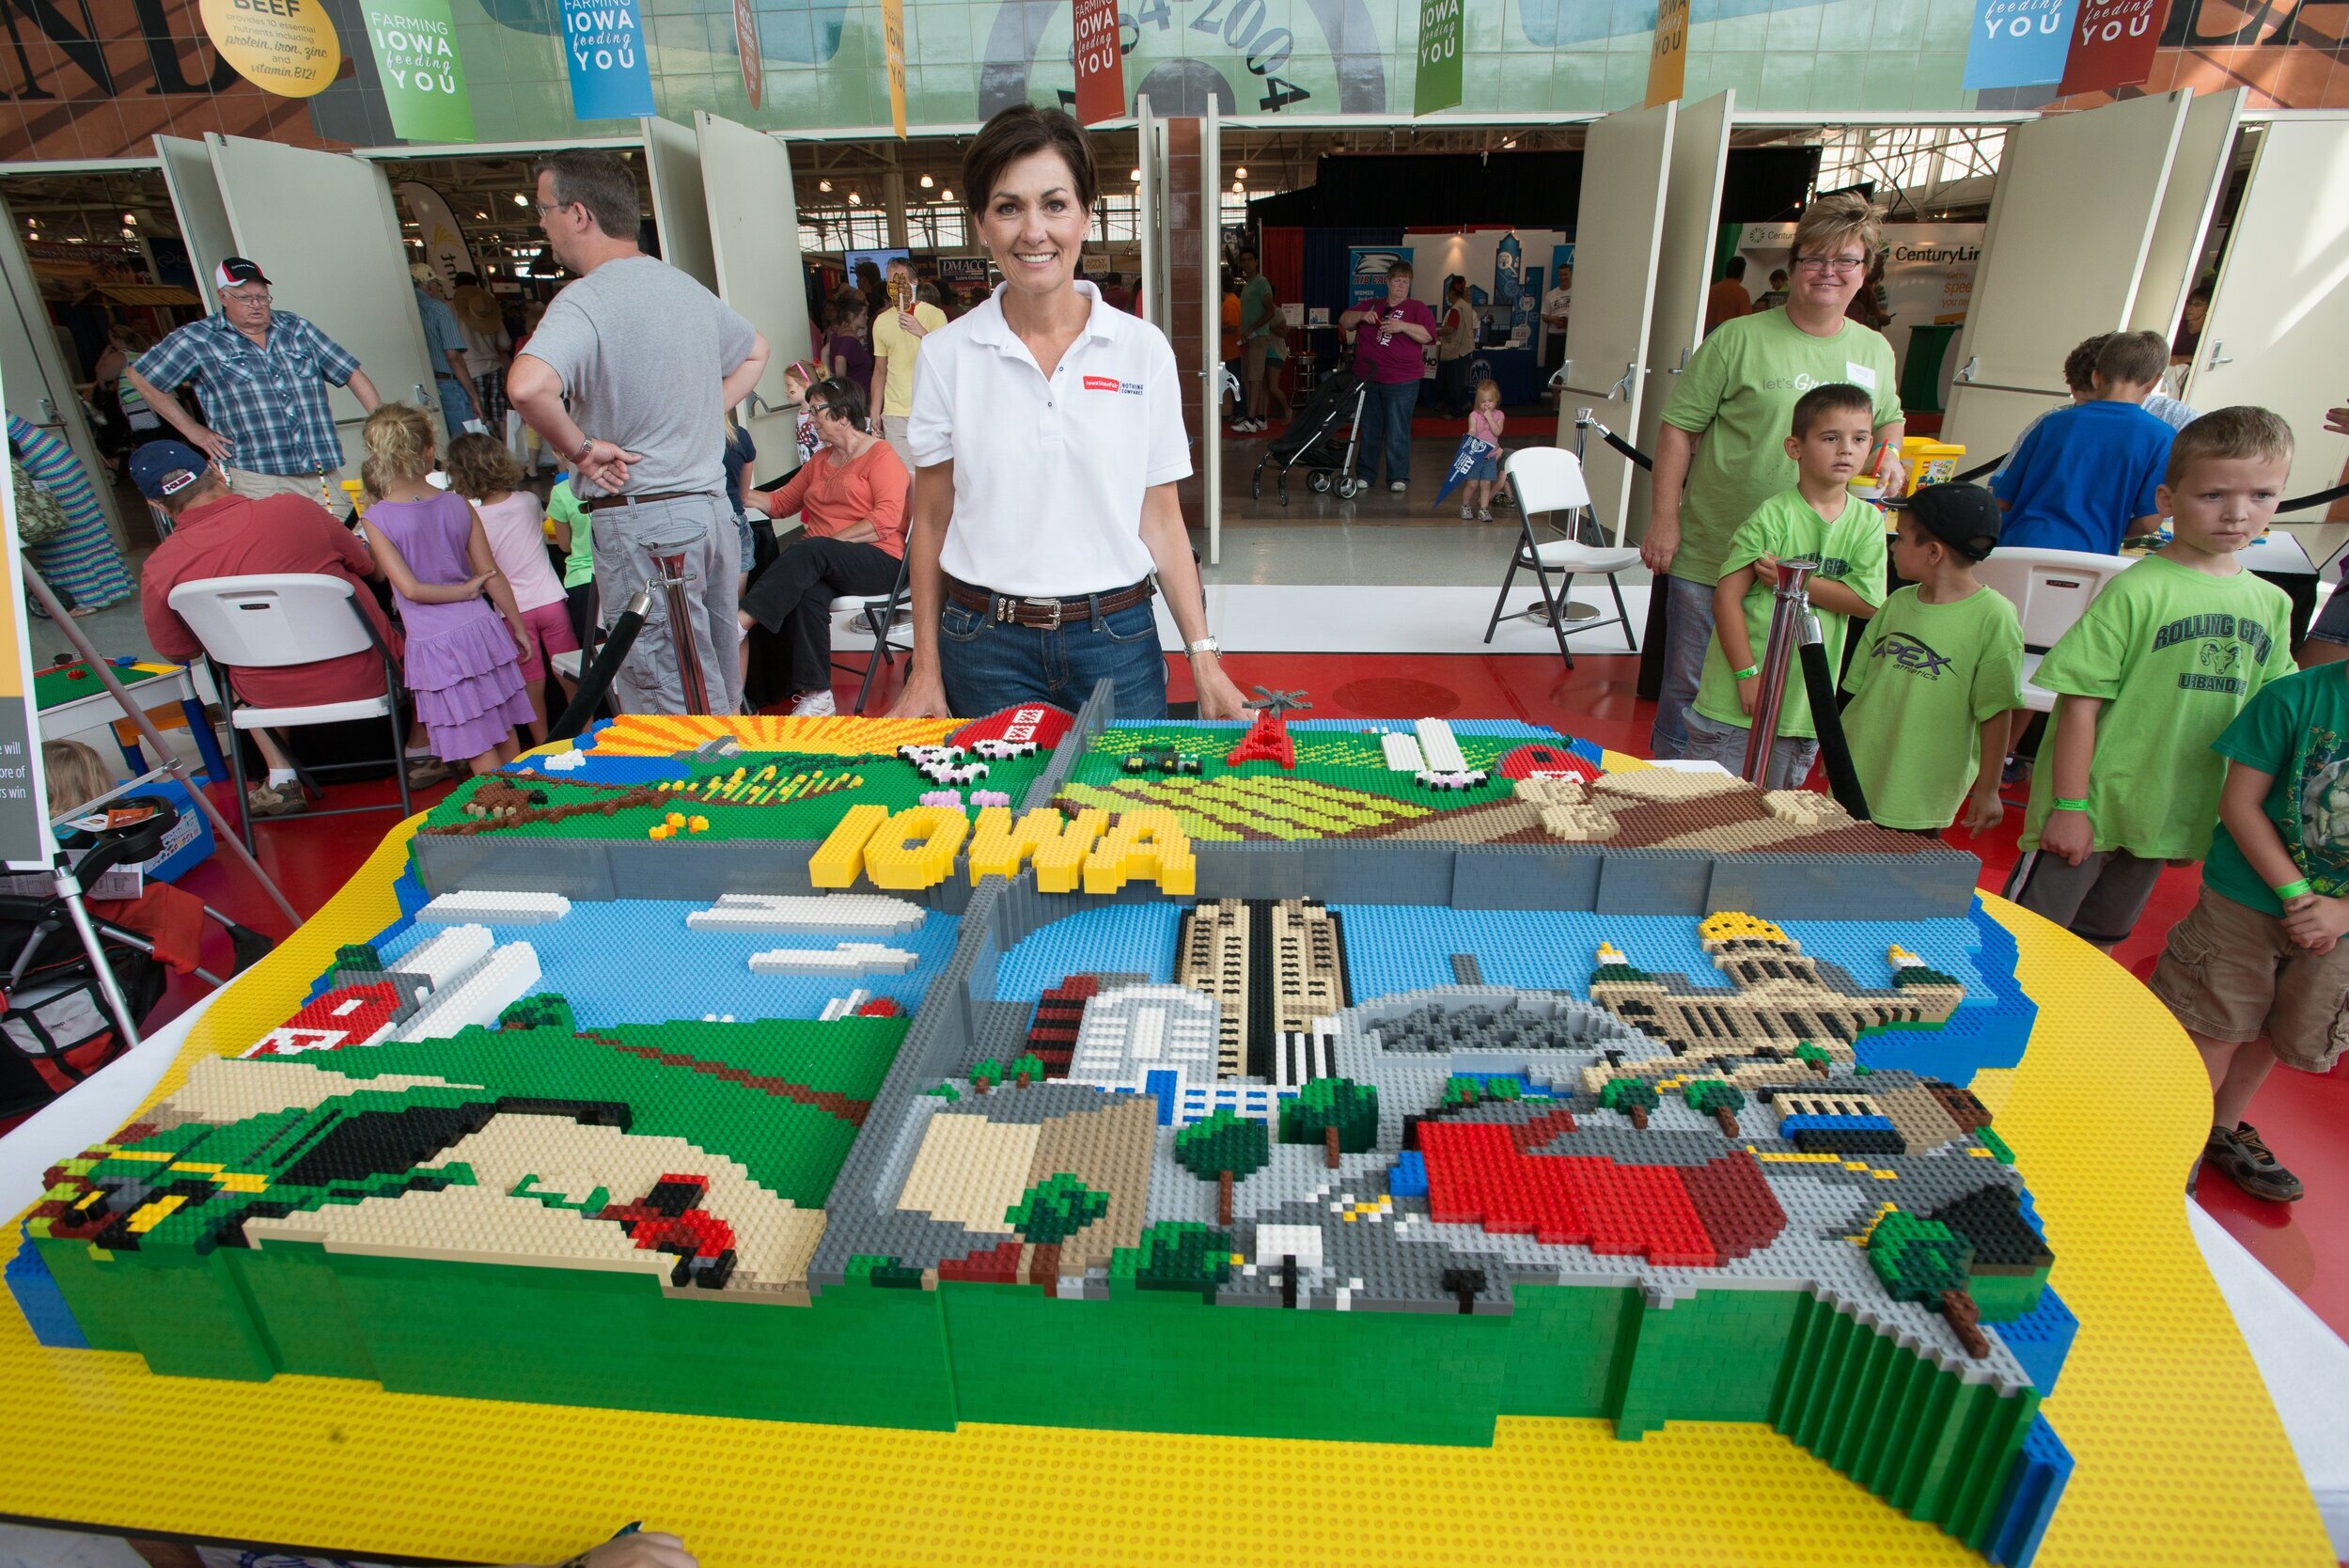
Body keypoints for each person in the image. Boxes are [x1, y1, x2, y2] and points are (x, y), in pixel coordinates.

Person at [885, 104, 1245, 723]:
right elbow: (933, 520)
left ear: (1085, 215)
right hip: (984, 644)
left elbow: (1160, 521)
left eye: (1054, 204)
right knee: (994, 819)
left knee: (1124, 814)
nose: (1033, 231)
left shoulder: (1141, 350)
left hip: (1117, 640)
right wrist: (925, 667)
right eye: (1007, 207)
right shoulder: (946, 355)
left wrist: (1204, 660)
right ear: (981, 224)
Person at [2000, 406, 2299, 951]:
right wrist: (2069, 808)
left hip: (2167, 817)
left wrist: (2204, 819)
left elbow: (2265, 722)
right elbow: (2079, 705)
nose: (2238, 514)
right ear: (2167, 500)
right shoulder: (2136, 591)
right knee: (2025, 942)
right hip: (2091, 809)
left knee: (2102, 942)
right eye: (2214, 495)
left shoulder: (2273, 605)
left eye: (2262, 495)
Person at [508, 148, 771, 717]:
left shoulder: (586, 299)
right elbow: (756, 350)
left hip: (648, 518)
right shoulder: (684, 288)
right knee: (715, 684)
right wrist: (705, 411)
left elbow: (527, 387)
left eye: (545, 209)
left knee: (671, 696)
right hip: (707, 517)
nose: (543, 223)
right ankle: (727, 792)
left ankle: (696, 803)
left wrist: (582, 449)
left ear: (579, 213)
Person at [1646, 192, 1906, 760]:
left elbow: (1889, 420)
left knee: (1786, 698)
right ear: (1794, 266)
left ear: (1866, 271)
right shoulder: (1737, 339)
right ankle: (1659, 806)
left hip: (1815, 564)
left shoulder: (1874, 350)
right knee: (1690, 693)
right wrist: (1664, 520)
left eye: (1846, 261)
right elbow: (1678, 428)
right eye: (1815, 258)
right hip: (1716, 550)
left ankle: (1751, 815)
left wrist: (1890, 454)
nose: (1828, 273)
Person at [132, 439, 450, 818]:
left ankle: (281, 779)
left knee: (228, 668)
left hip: (265, 696)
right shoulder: (294, 508)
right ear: (215, 471)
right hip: (368, 675)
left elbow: (178, 651)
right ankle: (419, 752)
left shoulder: (160, 566)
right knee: (423, 632)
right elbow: (365, 566)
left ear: (156, 505)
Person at [2148, 647, 2347, 1204]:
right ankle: (2173, 1146)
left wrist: (2341, 912)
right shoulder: (2293, 696)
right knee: (2213, 1024)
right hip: (2246, 902)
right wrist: (2299, 897)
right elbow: (2240, 804)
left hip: (2341, 927)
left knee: (2276, 1028)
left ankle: (2222, 1128)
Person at [1683, 383, 1888, 788]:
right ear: (1795, 447)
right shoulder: (1772, 517)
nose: (1846, 449)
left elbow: (1867, 602)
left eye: (1859, 438)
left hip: (1802, 707)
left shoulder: (1867, 523)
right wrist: (1746, 674)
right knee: (1705, 814)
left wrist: (1791, 580)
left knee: (1771, 821)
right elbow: (1727, 597)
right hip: (1737, 703)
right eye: (1831, 437)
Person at [355, 405, 535, 776]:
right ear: (427, 450)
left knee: (474, 737)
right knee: (502, 727)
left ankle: (502, 819)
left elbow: (410, 589)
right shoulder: (456, 503)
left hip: (436, 642)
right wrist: (516, 624)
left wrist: (464, 591)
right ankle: (526, 807)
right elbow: (491, 572)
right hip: (481, 628)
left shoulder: (376, 519)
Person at [1840, 482, 2023, 836]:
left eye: (1902, 538)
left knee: (1897, 882)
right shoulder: (1897, 602)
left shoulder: (1993, 617)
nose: (1893, 546)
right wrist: (1839, 755)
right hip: (1859, 772)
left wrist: (1987, 789)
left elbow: (1996, 710)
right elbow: (1856, 686)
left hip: (1920, 791)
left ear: (1934, 552)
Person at [124, 258, 383, 505]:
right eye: (245, 298)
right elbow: (140, 376)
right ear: (223, 297)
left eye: (262, 297)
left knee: (344, 543)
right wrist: (192, 429)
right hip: (258, 477)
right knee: (283, 548)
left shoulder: (295, 328)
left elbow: (350, 371)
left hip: (321, 471)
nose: (256, 304)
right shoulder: (198, 339)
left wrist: (382, 424)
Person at [738, 377, 907, 715]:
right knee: (808, 590)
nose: (810, 417)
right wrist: (738, 494)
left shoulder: (880, 455)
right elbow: (782, 503)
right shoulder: (820, 460)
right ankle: (818, 694)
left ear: (843, 415)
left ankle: (740, 624)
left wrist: (826, 545)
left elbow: (884, 521)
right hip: (823, 562)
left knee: (810, 550)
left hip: (879, 561)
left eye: (817, 411)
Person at [1991, 330, 2174, 555]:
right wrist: (2107, 529)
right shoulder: (2162, 437)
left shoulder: (2052, 424)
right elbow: (2149, 522)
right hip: (2089, 557)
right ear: (2153, 383)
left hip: (2019, 548)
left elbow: (2003, 500)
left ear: (2096, 377)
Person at [446, 431, 578, 744]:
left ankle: (543, 743)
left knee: (531, 681)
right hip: (550, 600)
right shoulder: (530, 501)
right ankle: (584, 730)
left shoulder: (471, 518)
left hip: (511, 611)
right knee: (570, 673)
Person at [1994, 334, 2199, 491]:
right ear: (2073, 389)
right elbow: (1999, 487)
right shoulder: (2052, 422)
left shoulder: (2178, 422)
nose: (2094, 416)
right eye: (2085, 404)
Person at [8, 415, 134, 612]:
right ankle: (104, 593)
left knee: (62, 538)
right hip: (57, 462)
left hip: (48, 470)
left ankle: (81, 603)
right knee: (86, 532)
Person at [1339, 262, 1436, 493]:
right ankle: (1366, 474)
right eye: (1397, 281)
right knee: (1370, 429)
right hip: (1369, 379)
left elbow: (1429, 336)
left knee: (1397, 430)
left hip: (1402, 380)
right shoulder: (1373, 304)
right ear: (1388, 282)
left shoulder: (1417, 307)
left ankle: (1398, 476)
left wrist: (1403, 326)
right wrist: (1363, 315)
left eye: (1405, 282)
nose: (1401, 286)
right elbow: (1344, 321)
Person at [870, 257, 948, 475]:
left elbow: (946, 358)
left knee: (934, 474)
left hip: (931, 409)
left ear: (914, 283)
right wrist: (875, 410)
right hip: (895, 412)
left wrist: (920, 331)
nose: (895, 286)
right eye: (890, 282)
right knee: (903, 477)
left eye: (900, 280)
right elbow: (880, 369)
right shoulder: (881, 321)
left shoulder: (934, 315)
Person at [412, 264, 486, 440]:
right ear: (429, 286)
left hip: (420, 386)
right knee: (464, 441)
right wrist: (474, 396)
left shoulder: (406, 309)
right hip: (448, 383)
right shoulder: (439, 309)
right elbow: (454, 358)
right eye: (436, 283)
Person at [450, 273, 513, 438]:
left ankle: (487, 458)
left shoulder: (452, 309)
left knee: (479, 417)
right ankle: (509, 454)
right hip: (494, 368)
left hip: (469, 370)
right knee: (501, 416)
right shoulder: (488, 307)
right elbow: (505, 343)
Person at [547, 474, 596, 651]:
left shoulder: (561, 491)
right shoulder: (613, 480)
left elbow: (565, 545)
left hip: (581, 579)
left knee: (594, 652)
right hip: (617, 573)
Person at [1236, 248, 1278, 431]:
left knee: (1254, 379)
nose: (1246, 263)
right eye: (1243, 260)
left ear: (1256, 262)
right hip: (1248, 339)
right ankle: (1260, 418)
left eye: (1249, 260)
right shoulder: (1248, 284)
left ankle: (1251, 420)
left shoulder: (1262, 283)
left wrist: (1252, 329)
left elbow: (1270, 312)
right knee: (1249, 379)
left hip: (1258, 337)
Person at [1460, 379, 1504, 523]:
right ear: (1478, 401)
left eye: (1490, 401)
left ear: (1496, 400)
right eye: (1483, 401)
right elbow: (1472, 430)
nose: (1487, 404)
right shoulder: (1474, 415)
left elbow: (1497, 432)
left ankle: (1484, 510)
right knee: (1472, 484)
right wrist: (1469, 437)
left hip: (1490, 457)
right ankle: (1465, 506)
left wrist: (1490, 418)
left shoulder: (1499, 415)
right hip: (1475, 457)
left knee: (1486, 484)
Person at [1435, 277, 1477, 421]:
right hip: (1466, 348)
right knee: (1458, 381)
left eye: (1448, 294)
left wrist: (1434, 332)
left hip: (1456, 350)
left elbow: (1451, 328)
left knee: (1454, 382)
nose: (1447, 296)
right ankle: (1464, 403)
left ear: (1452, 293)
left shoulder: (1456, 309)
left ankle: (1456, 411)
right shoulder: (1466, 306)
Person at [827, 294, 874, 398]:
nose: (867, 317)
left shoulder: (837, 333)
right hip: (855, 395)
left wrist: (829, 377)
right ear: (852, 316)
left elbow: (824, 352)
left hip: (853, 393)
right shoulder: (850, 339)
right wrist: (843, 389)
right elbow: (839, 359)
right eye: (864, 314)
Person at [1704, 256, 1754, 335]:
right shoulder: (1742, 293)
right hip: (1729, 337)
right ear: (1742, 272)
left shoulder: (1711, 289)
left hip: (1707, 336)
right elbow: (1746, 323)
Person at [1540, 265, 1572, 375]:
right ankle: (1555, 393)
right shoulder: (1551, 295)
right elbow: (1544, 316)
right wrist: (1553, 319)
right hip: (1554, 336)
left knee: (1568, 370)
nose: (1563, 277)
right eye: (1560, 275)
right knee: (1553, 370)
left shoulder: (1577, 293)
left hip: (1571, 338)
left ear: (1570, 275)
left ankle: (1565, 392)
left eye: (1565, 274)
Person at [2172, 285, 2211, 365]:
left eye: (2197, 304)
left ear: (2208, 308)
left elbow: (2208, 359)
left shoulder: (2208, 333)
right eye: (2189, 303)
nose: (2189, 308)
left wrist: (2184, 358)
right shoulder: (2177, 327)